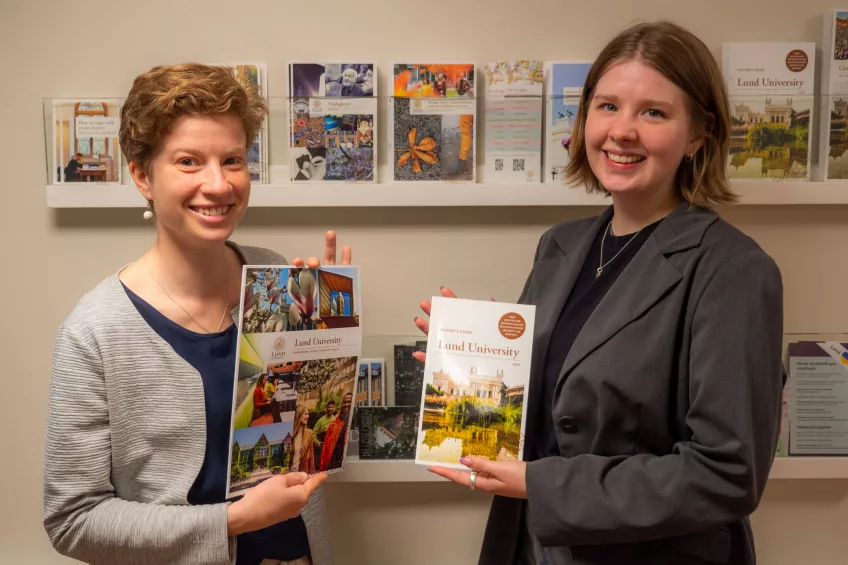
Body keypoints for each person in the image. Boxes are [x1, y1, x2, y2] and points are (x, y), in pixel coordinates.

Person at [413, 20, 784, 565]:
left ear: (699, 134)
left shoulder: (734, 269)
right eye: (607, 106)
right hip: (529, 548)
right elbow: (552, 417)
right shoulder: (560, 246)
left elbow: (726, 474)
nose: (622, 131)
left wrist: (543, 486)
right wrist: (476, 365)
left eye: (653, 112)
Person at [43, 63, 352, 565]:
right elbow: (72, 521)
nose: (219, 184)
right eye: (189, 161)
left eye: (232, 160)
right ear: (142, 175)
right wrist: (234, 520)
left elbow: (308, 437)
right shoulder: (96, 331)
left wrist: (334, 339)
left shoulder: (274, 276)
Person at [318, 392, 352, 471]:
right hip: (333, 464)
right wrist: (322, 468)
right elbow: (325, 447)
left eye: (349, 402)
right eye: (344, 402)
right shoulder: (334, 424)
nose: (346, 404)